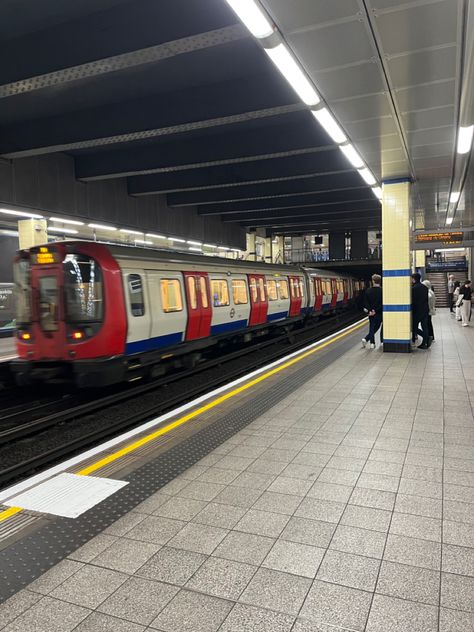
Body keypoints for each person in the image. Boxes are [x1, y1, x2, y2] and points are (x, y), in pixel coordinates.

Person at [362, 273, 382, 349]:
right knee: (377, 326)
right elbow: (382, 303)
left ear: (373, 281)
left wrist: (370, 311)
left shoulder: (368, 291)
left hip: (371, 314)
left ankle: (371, 343)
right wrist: (376, 311)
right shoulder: (382, 291)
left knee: (372, 327)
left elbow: (366, 302)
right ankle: (367, 339)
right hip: (379, 313)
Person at [411, 273, 430, 349]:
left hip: (417, 311)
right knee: (424, 326)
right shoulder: (425, 287)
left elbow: (413, 300)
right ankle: (425, 342)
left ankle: (426, 338)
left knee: (413, 327)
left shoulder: (413, 288)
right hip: (425, 309)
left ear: (414, 279)